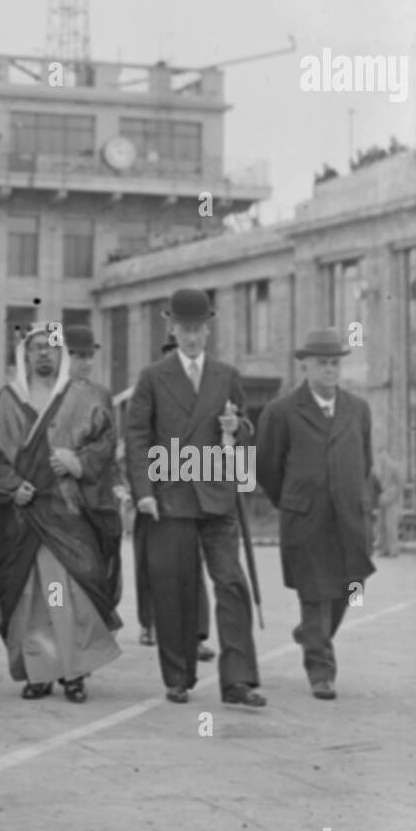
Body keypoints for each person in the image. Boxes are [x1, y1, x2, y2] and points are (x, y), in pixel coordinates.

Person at [125, 288, 265, 707]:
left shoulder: (226, 375)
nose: (191, 336)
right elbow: (136, 438)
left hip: (218, 496)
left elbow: (244, 430)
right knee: (176, 589)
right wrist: (144, 492)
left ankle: (238, 680)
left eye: (198, 328)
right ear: (172, 328)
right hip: (171, 497)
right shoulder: (152, 376)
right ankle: (178, 676)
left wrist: (234, 428)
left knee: (232, 584)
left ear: (208, 329)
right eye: (184, 329)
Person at [0, 323, 122, 702]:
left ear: (62, 354)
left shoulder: (85, 397)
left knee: (63, 593)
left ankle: (72, 670)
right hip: (23, 519)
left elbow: (106, 444)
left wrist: (76, 461)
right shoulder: (8, 400)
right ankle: (39, 671)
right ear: (24, 355)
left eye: (51, 346)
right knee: (32, 599)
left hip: (67, 514)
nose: (44, 353)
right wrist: (13, 486)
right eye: (36, 347)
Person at [256, 329, 375, 700]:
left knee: (352, 587)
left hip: (349, 520)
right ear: (304, 365)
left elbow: (365, 461)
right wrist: (293, 501)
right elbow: (267, 467)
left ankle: (312, 634)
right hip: (305, 519)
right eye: (322, 363)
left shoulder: (358, 409)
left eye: (335, 363)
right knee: (315, 592)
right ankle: (321, 671)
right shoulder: (281, 411)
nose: (329, 370)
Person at [131, 339, 214, 660]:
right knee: (152, 567)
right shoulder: (149, 390)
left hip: (192, 494)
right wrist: (144, 492)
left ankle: (196, 634)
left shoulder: (199, 394)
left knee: (193, 566)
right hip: (155, 496)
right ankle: (149, 623)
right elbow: (136, 445)